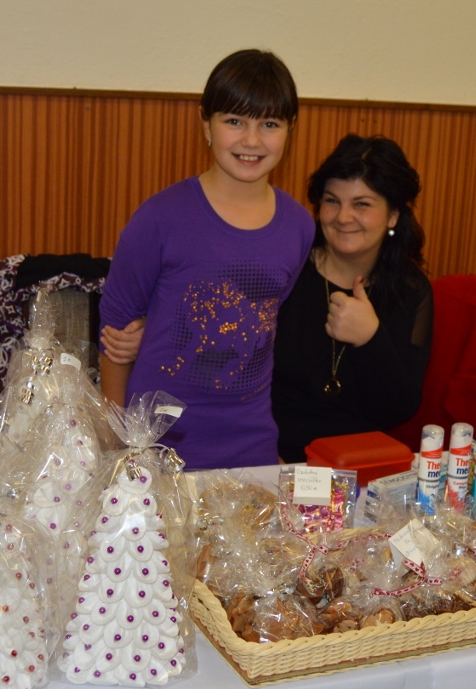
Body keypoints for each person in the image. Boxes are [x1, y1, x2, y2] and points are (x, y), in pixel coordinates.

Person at [97, 49, 315, 469]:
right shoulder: (160, 218)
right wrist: (115, 443)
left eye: (269, 124)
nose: (251, 141)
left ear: (291, 129)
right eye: (234, 121)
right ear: (206, 124)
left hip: (251, 445)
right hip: (156, 446)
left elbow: (264, 322)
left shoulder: (299, 226)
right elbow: (115, 336)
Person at [271, 135, 433, 463]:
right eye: (332, 201)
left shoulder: (409, 288)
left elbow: (397, 410)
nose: (343, 217)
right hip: (273, 459)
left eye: (361, 204)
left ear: (393, 215)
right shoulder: (286, 268)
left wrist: (370, 339)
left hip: (359, 465)